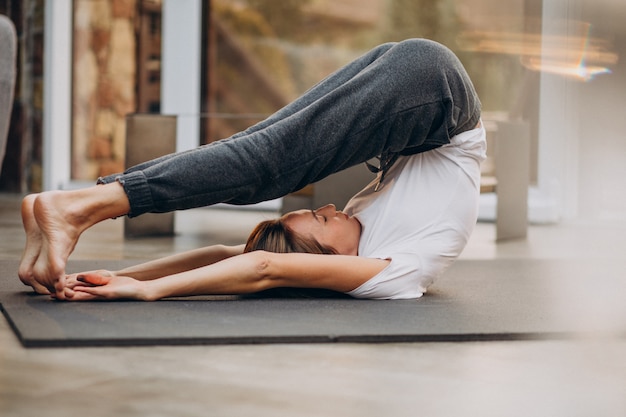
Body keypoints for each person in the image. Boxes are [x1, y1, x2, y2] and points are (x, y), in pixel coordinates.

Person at [18, 38, 485, 301]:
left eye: (321, 215)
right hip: (434, 92)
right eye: (323, 220)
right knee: (264, 165)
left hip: (423, 85)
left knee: (254, 153)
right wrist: (148, 294)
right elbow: (262, 267)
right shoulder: (399, 271)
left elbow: (233, 255)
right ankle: (81, 206)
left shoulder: (367, 246)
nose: (328, 206)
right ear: (331, 262)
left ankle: (72, 206)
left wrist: (131, 280)